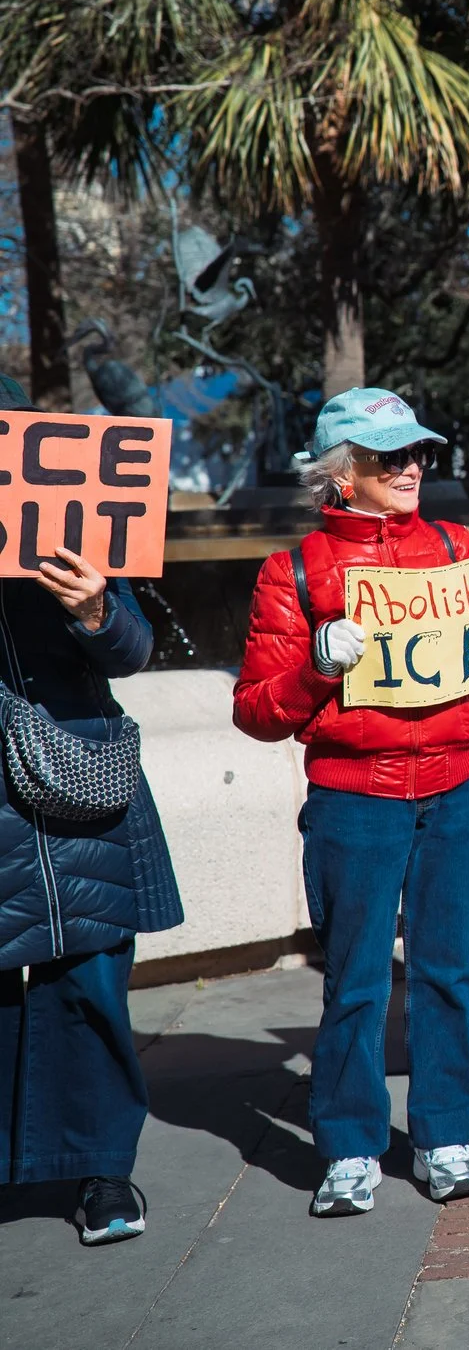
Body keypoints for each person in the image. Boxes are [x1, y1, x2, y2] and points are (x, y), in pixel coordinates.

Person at [234, 388, 469, 1216]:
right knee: (356, 980)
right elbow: (258, 709)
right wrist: (318, 664)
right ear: (342, 473)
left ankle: (444, 1136)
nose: (410, 467)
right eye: (389, 456)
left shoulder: (456, 546)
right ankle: (351, 1145)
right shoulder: (292, 570)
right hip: (355, 801)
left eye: (416, 452)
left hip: (457, 788)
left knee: (447, 972)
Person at [0, 375, 182, 1247]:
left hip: (81, 792)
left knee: (93, 984)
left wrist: (94, 606)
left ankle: (105, 1175)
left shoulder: (69, 521)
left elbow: (135, 646)